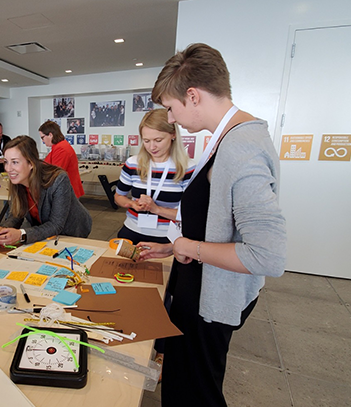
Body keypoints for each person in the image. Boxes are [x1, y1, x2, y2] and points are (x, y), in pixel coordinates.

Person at [140, 43, 286, 406]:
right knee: (181, 381)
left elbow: (268, 254)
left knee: (197, 391)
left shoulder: (242, 147)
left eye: (171, 108)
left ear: (193, 95)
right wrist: (175, 245)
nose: (170, 119)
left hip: (212, 296)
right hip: (199, 285)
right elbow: (213, 216)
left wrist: (190, 248)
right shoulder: (227, 138)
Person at [0, 136, 91, 245]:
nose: (8, 168)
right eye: (6, 162)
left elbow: (56, 225)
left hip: (72, 232)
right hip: (46, 232)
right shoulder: (18, 181)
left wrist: (21, 234)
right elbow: (17, 215)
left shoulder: (58, 179)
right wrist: (3, 230)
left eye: (15, 162)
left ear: (31, 163)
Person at [115, 109, 193, 245]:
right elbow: (118, 197)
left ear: (173, 135)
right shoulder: (133, 164)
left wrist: (156, 209)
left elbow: (190, 214)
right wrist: (133, 204)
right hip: (132, 231)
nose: (152, 147)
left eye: (158, 140)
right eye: (146, 141)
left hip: (168, 238)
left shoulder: (188, 168)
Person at [40, 120, 84, 198]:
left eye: (42, 137)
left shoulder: (61, 149)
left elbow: (55, 173)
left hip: (66, 191)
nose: (42, 141)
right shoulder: (57, 147)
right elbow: (46, 164)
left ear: (50, 135)